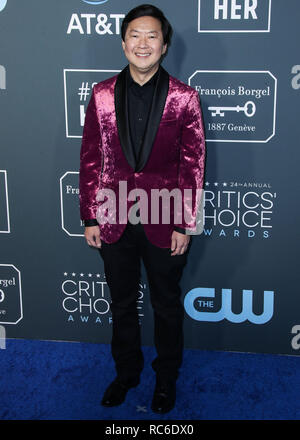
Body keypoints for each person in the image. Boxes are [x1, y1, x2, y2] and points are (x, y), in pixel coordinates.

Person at [79, 4, 206, 414]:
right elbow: (90, 159)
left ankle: (165, 378)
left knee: (166, 305)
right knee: (120, 303)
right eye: (135, 34)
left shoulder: (185, 98)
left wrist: (186, 224)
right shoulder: (99, 94)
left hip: (165, 219)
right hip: (113, 218)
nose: (143, 43)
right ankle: (126, 373)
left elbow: (193, 164)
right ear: (123, 42)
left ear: (165, 45)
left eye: (152, 35)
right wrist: (89, 215)